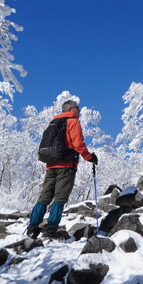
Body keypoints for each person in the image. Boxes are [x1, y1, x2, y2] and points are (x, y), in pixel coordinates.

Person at [28, 100, 98, 238]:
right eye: (77, 108)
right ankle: (51, 228)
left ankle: (33, 226)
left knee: (44, 196)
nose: (79, 110)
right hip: (66, 166)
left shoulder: (54, 122)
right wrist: (89, 157)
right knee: (60, 198)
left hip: (51, 165)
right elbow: (78, 144)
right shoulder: (73, 121)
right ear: (70, 109)